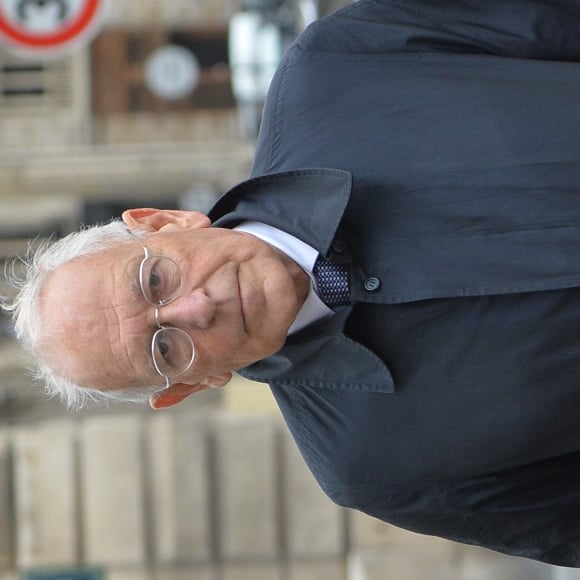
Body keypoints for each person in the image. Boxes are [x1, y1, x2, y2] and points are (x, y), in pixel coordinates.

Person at [5, 0, 580, 567]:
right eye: (164, 347)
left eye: (156, 279)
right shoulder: (373, 468)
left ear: (166, 221)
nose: (197, 308)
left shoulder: (339, 69)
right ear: (194, 385)